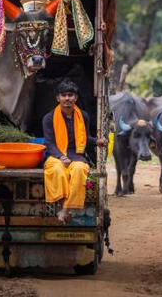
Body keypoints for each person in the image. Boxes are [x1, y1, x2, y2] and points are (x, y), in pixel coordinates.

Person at [43, 78, 107, 224]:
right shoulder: (49, 118)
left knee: (79, 169)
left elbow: (85, 139)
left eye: (70, 95)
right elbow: (49, 143)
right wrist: (60, 156)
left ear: (76, 98)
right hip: (55, 155)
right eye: (64, 95)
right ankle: (63, 206)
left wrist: (97, 141)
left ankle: (65, 210)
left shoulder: (83, 116)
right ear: (58, 98)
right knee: (56, 171)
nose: (67, 98)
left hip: (76, 155)